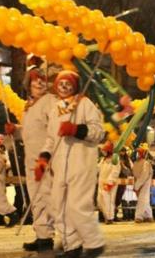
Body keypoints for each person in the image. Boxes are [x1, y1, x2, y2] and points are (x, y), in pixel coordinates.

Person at [36, 70, 106, 258]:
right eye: (61, 83)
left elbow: (98, 132)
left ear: (75, 85)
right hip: (59, 167)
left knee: (77, 206)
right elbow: (51, 139)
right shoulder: (55, 109)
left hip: (81, 164)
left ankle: (94, 243)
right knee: (59, 206)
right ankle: (71, 246)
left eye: (68, 83)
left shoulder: (85, 104)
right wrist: (44, 157)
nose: (64, 87)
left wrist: (77, 129)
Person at [6, 63, 57, 252]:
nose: (39, 83)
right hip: (30, 160)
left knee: (47, 197)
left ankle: (64, 235)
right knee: (36, 198)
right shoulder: (28, 106)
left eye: (42, 80)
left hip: (45, 159)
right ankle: (42, 235)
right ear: (28, 83)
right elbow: (31, 131)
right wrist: (16, 131)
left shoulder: (50, 101)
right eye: (35, 80)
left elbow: (53, 129)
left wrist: (47, 155)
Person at [97, 141, 120, 224]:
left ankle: (110, 218)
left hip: (109, 184)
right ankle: (106, 216)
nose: (103, 152)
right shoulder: (103, 159)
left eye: (105, 150)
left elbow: (115, 171)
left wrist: (110, 182)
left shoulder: (115, 158)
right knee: (100, 201)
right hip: (101, 183)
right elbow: (98, 168)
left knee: (108, 201)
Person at [132, 143, 153, 223]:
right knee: (145, 200)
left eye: (140, 152)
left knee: (142, 200)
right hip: (138, 183)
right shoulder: (136, 162)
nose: (138, 154)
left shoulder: (146, 163)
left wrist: (137, 186)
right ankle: (149, 216)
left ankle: (139, 217)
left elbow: (144, 176)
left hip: (144, 184)